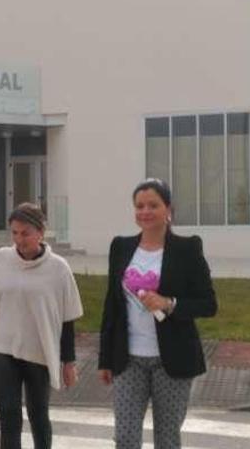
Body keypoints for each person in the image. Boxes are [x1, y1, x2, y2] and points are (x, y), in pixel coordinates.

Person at [98, 178, 217, 449]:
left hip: (172, 360)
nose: (145, 212)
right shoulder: (121, 247)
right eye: (139, 206)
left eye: (153, 205)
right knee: (125, 438)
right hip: (128, 359)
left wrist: (169, 303)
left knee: (167, 439)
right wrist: (105, 358)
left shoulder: (187, 249)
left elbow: (208, 304)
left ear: (168, 209)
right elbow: (111, 306)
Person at [0, 202, 83, 449]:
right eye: (14, 233)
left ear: (41, 232)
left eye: (25, 233)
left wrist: (69, 362)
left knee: (38, 415)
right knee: (10, 416)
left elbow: (68, 317)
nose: (19, 239)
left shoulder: (58, 268)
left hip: (38, 351)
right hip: (2, 348)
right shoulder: (3, 258)